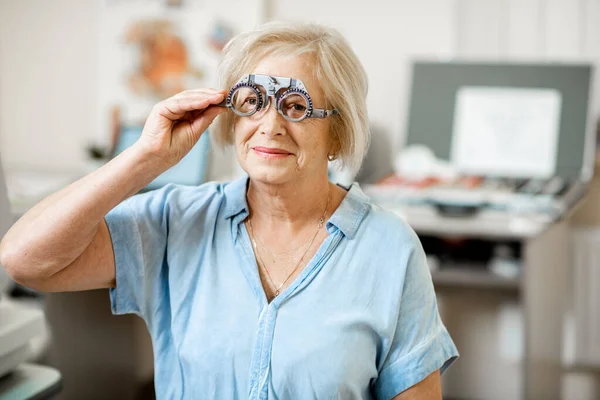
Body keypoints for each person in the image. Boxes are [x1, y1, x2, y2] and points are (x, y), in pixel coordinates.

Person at [0, 22, 458, 399]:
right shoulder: (176, 221)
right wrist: (145, 158)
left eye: (296, 106)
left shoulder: (389, 250)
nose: (271, 125)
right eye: (253, 101)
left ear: (336, 134)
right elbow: (24, 260)